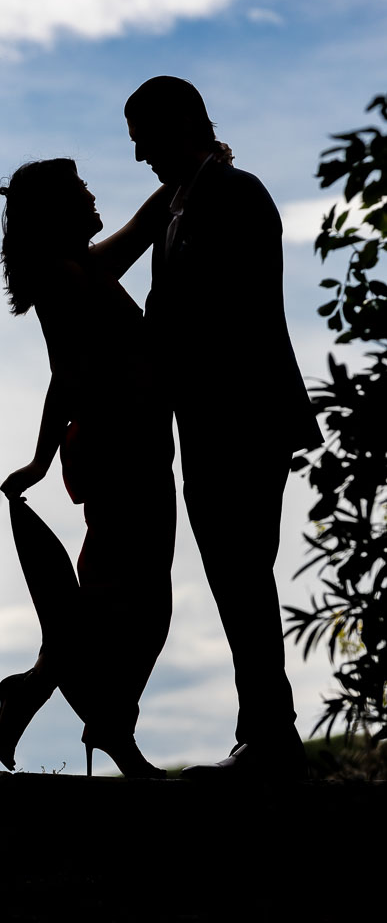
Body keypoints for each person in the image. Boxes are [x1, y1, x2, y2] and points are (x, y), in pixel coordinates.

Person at [121, 76, 323, 779]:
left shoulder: (232, 196)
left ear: (181, 125)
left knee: (240, 573)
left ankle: (269, 739)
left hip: (241, 419)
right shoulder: (182, 205)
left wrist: (151, 364)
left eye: (143, 139)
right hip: (212, 423)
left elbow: (215, 311)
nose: (139, 155)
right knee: (236, 577)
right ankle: (266, 734)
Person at [0, 158, 176, 777]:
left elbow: (144, 224)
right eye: (79, 188)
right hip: (121, 448)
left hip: (125, 445)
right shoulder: (66, 276)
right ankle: (101, 721)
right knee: (136, 603)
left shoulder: (78, 269)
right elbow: (70, 374)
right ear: (59, 209)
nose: (92, 194)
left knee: (125, 597)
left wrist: (192, 169)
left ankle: (48, 692)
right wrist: (39, 457)